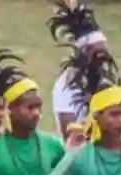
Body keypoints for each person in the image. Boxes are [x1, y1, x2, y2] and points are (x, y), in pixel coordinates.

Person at [47, 0, 109, 135]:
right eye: (98, 52)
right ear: (84, 52)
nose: (104, 58)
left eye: (105, 52)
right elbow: (69, 131)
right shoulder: (66, 85)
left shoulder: (106, 82)